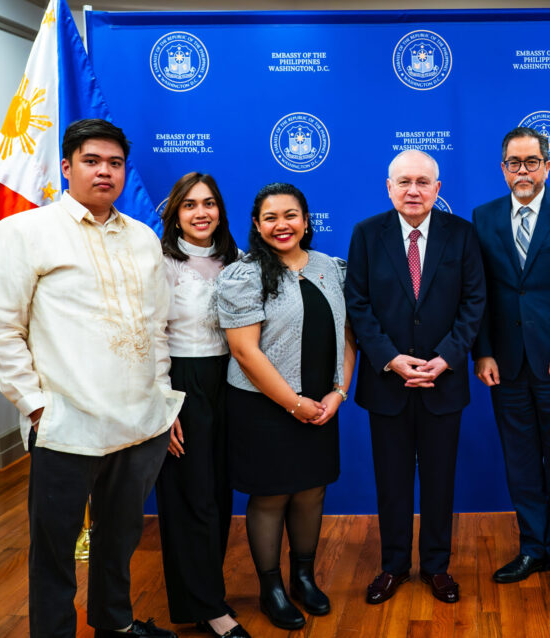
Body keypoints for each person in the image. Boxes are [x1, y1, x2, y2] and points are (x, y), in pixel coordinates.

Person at [0, 119, 182, 638]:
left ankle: (114, 624)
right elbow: (3, 332)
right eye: (92, 161)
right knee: (55, 550)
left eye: (115, 163)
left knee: (119, 541)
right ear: (67, 167)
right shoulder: (25, 232)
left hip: (141, 425)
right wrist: (36, 407)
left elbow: (158, 328)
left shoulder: (142, 238)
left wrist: (160, 400)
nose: (105, 172)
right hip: (67, 426)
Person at [345, 149, 485, 605]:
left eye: (423, 182)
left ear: (437, 189)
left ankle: (437, 567)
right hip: (388, 383)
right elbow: (358, 305)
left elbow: (473, 303)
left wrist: (445, 358)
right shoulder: (367, 234)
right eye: (404, 181)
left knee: (441, 481)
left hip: (444, 382)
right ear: (389, 187)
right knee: (392, 481)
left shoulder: (462, 235)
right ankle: (393, 566)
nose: (413, 190)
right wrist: (391, 358)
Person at [216, 182, 355, 630]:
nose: (282, 225)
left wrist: (338, 392)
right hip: (264, 405)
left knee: (312, 489)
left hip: (321, 401)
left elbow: (349, 337)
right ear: (257, 225)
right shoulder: (245, 273)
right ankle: (271, 587)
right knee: (271, 494)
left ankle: (303, 577)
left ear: (306, 220)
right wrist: (294, 404)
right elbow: (244, 351)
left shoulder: (331, 268)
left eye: (290, 215)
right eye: (271, 217)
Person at [472, 127, 550, 596]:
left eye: (531, 162)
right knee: (521, 461)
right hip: (505, 364)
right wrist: (482, 350)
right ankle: (533, 547)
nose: (522, 171)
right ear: (503, 167)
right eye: (514, 162)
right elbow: (478, 292)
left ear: (547, 165)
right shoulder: (482, 217)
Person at [153, 173, 247, 637]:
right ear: (175, 213)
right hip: (181, 383)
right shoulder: (160, 263)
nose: (201, 212)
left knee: (219, 496)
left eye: (209, 203)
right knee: (190, 500)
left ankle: (205, 594)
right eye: (190, 205)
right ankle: (212, 609)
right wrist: (164, 407)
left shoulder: (239, 260)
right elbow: (150, 338)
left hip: (230, 380)